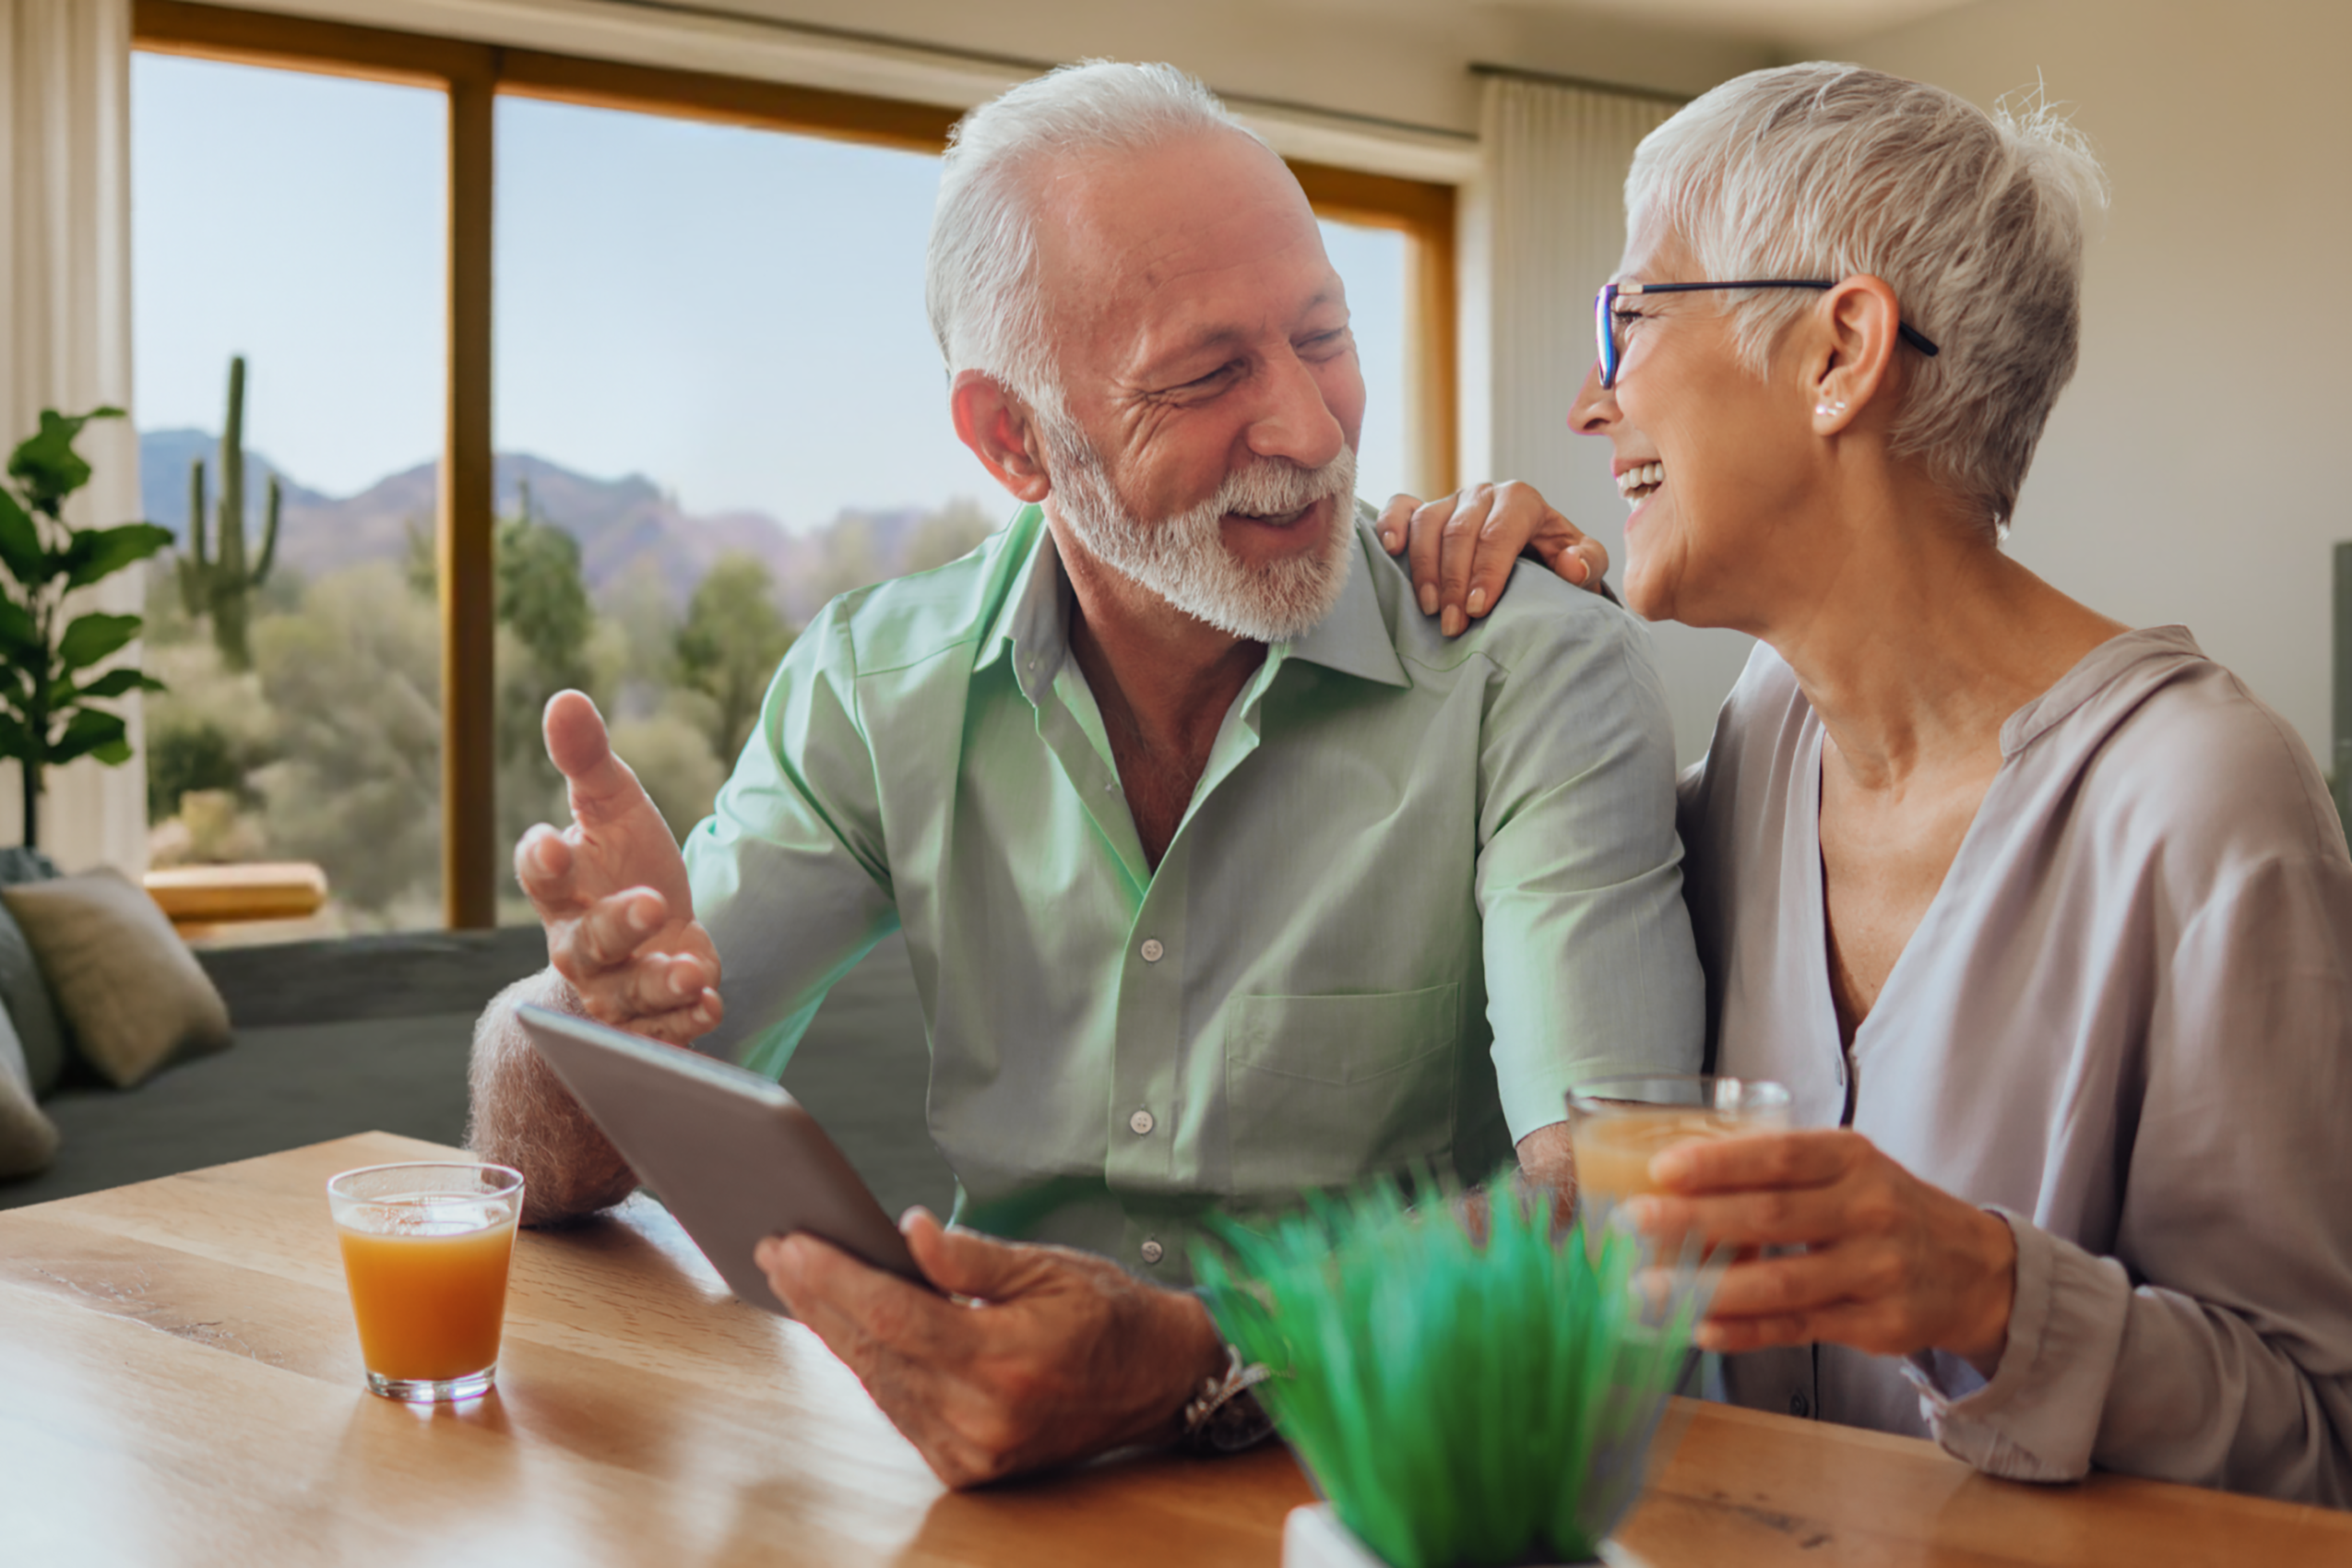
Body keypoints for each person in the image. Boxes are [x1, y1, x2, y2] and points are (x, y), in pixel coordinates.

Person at [467, 61, 1702, 1488]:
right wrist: (585, 1003)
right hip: (1001, 1480)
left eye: (1322, 336)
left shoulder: (1525, 672)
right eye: (1207, 375)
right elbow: (557, 1166)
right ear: (1012, 440)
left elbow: (1613, 1202)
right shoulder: (876, 688)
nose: (1309, 430)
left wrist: (1202, 1363)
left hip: (1394, 1475)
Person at [1389, 62, 2352, 1504]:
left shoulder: (2206, 807)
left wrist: (1989, 1294)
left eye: (1627, 319)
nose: (1590, 403)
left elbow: (2317, 1441)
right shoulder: (1766, 742)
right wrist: (1497, 636)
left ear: (1841, 351)